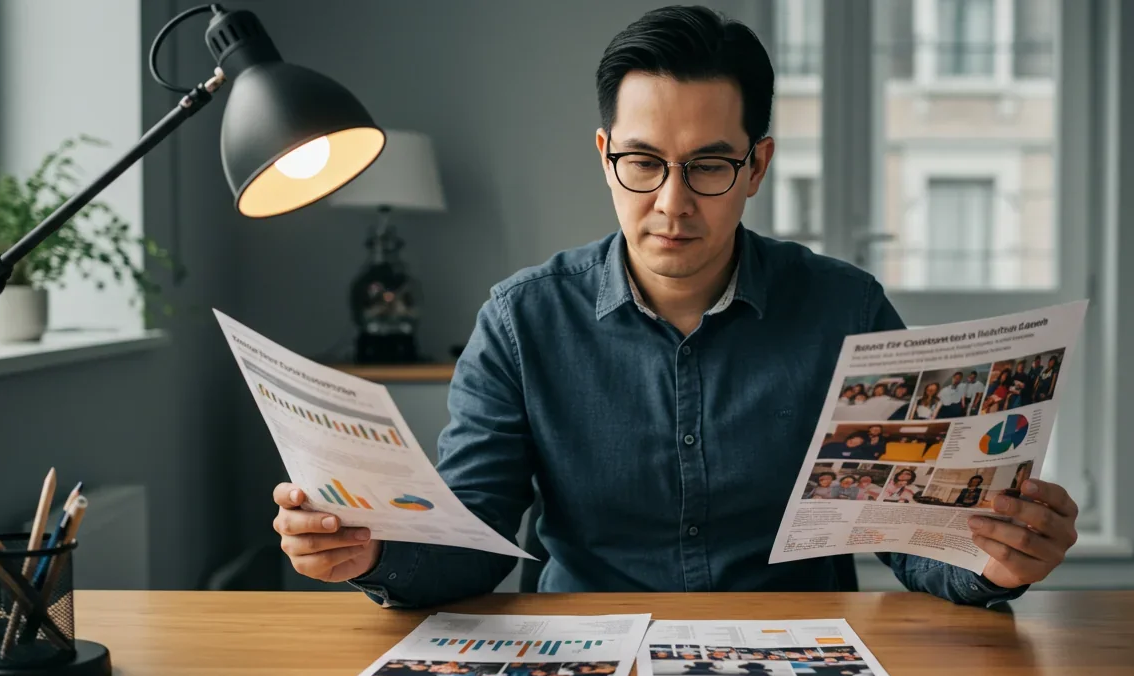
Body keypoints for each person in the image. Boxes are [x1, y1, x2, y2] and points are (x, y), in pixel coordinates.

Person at [271, 5, 1079, 610]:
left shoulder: (844, 308)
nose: (671, 204)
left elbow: (911, 541)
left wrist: (993, 562)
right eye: (642, 163)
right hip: (588, 668)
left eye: (709, 166)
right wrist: (373, 554)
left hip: (797, 674)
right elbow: (472, 544)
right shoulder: (521, 323)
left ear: (758, 164)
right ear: (604, 155)